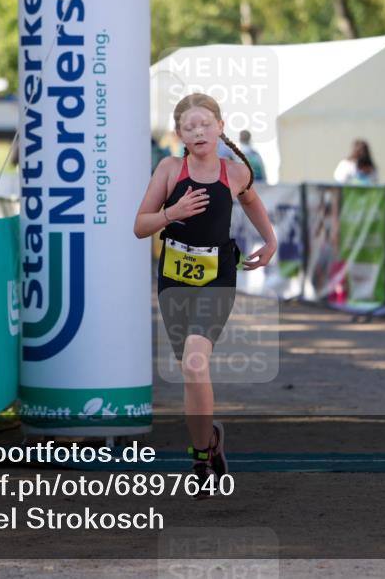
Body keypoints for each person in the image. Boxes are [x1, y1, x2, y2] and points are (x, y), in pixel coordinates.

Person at [133, 93, 276, 496]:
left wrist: (270, 240)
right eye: (189, 127)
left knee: (196, 363)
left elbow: (252, 202)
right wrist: (170, 214)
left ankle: (199, 465)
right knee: (189, 371)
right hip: (175, 278)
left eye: (205, 124)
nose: (198, 131)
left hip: (218, 275)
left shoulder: (234, 173)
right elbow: (140, 226)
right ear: (179, 134)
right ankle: (207, 444)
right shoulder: (168, 170)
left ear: (220, 127)